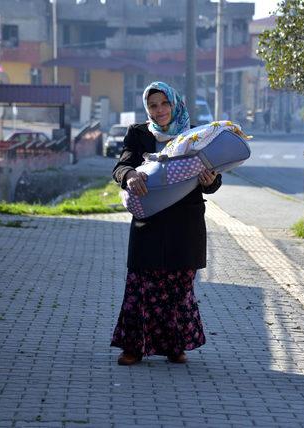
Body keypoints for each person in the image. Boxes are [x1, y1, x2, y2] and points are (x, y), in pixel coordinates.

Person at [111, 82, 222, 365]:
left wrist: (211, 181)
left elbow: (213, 175)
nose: (159, 111)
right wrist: (130, 176)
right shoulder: (138, 134)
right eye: (153, 106)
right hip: (148, 221)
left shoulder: (194, 134)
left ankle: (175, 346)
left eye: (164, 104)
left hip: (184, 224)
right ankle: (134, 348)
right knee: (141, 286)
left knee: (179, 289)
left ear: (174, 104)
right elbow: (121, 166)